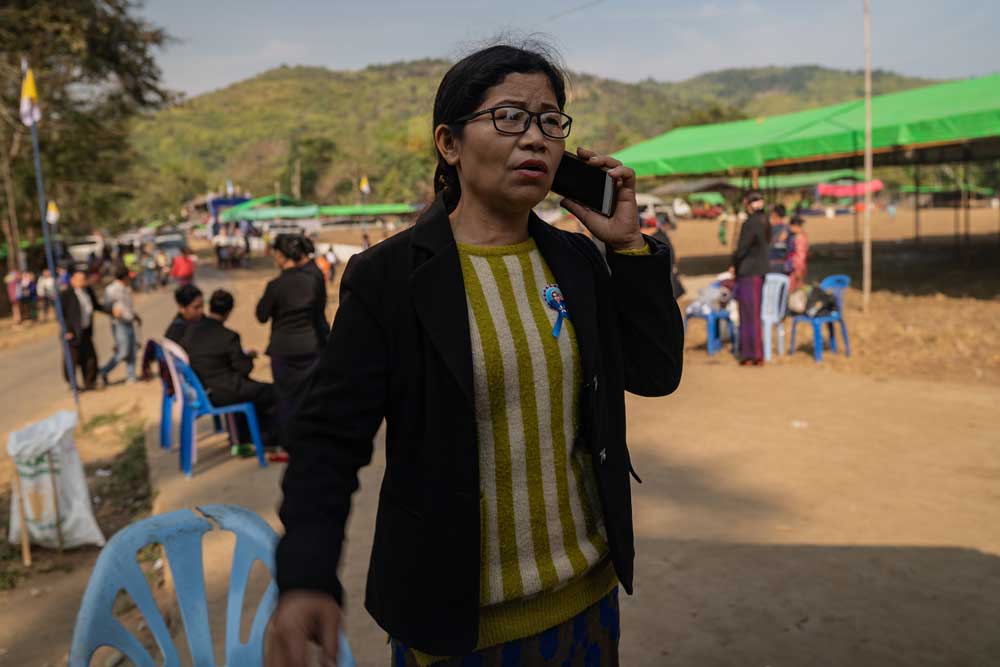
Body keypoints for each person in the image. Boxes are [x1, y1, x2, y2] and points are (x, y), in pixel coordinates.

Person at [269, 43, 685, 667]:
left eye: (551, 121)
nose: (536, 138)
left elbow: (654, 373)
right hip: (457, 632)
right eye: (510, 116)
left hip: (589, 604)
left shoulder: (575, 260)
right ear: (450, 144)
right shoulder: (390, 278)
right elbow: (329, 438)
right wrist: (305, 576)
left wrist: (628, 250)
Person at [256, 234, 330, 451]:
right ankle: (312, 439)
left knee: (286, 397)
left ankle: (290, 444)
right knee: (310, 395)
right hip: (310, 346)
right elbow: (319, 312)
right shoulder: (313, 280)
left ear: (281, 256)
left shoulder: (275, 285)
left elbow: (261, 315)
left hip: (283, 350)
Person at [181, 289, 276, 447]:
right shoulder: (229, 336)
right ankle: (265, 438)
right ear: (229, 311)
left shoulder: (191, 331)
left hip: (202, 390)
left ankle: (244, 435)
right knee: (272, 392)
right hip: (224, 391)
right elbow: (244, 368)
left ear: (210, 307)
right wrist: (248, 358)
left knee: (253, 390)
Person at [731, 192, 770, 366]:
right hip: (759, 272)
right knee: (754, 313)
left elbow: (742, 248)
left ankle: (750, 354)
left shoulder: (750, 223)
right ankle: (755, 353)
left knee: (748, 314)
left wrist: (733, 264)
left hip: (748, 272)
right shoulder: (765, 221)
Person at [59, 269, 104, 389]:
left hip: (86, 331)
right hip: (72, 332)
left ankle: (89, 382)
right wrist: (67, 330)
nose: (83, 282)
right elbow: (61, 315)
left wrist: (110, 310)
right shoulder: (66, 294)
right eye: (80, 279)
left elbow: (96, 306)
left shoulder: (88, 291)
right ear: (73, 280)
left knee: (90, 358)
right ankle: (72, 384)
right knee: (72, 360)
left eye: (84, 279)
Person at [99, 266, 142, 385]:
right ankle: (103, 371)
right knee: (123, 351)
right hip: (119, 324)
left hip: (129, 321)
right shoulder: (111, 289)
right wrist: (112, 311)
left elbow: (128, 306)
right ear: (125, 277)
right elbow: (106, 306)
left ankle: (131, 376)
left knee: (132, 350)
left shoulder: (127, 289)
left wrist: (135, 316)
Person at [651, 218, 686, 299]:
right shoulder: (660, 237)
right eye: (666, 225)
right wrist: (673, 264)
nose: (668, 227)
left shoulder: (659, 236)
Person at [785, 215, 809, 292]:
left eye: (790, 226)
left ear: (795, 226)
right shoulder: (794, 236)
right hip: (792, 265)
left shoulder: (800, 238)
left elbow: (801, 256)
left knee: (794, 289)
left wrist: (798, 270)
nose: (789, 228)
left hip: (796, 267)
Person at [767, 203, 789, 273]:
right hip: (782, 264)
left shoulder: (775, 228)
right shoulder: (787, 228)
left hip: (772, 264)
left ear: (775, 214)